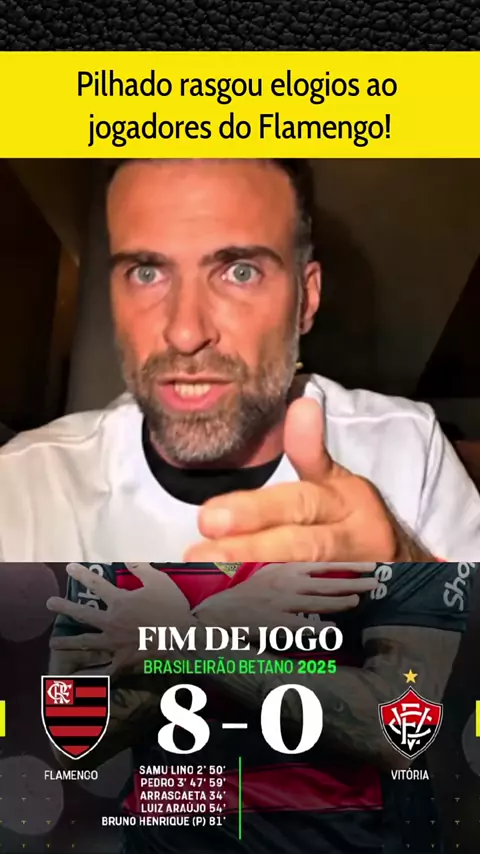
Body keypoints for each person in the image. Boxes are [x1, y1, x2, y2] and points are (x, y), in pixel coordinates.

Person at [0, 158, 478, 562]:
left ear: (306, 299)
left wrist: (410, 579)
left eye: (240, 272)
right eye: (147, 273)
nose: (186, 333)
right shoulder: (24, 486)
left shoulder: (410, 454)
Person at [47, 558, 477, 854]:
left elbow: (395, 732)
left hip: (349, 841)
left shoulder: (400, 528)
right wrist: (208, 623)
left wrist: (189, 639)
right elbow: (72, 741)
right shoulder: (109, 537)